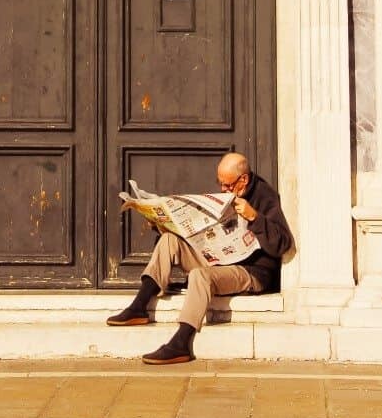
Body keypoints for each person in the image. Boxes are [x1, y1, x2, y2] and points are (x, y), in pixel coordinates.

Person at [106, 152, 293, 365]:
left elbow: (283, 244)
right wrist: (164, 224)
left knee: (199, 276)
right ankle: (139, 307)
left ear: (244, 179)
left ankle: (181, 342)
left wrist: (254, 217)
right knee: (168, 240)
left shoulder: (265, 196)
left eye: (228, 185)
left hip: (250, 271)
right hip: (219, 259)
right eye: (220, 183)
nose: (223, 189)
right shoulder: (227, 194)